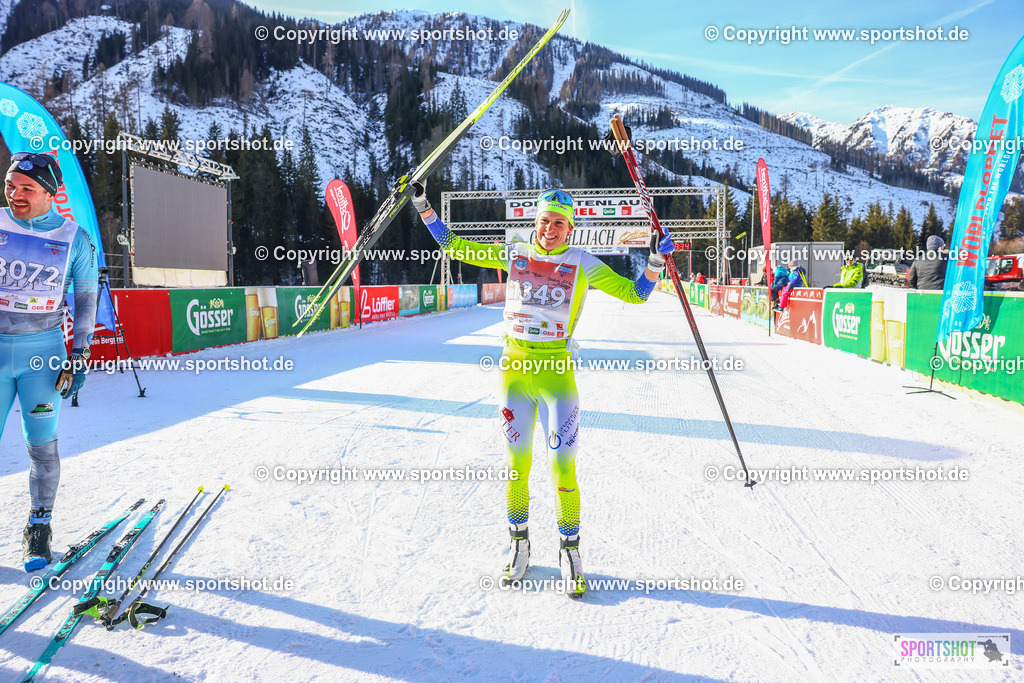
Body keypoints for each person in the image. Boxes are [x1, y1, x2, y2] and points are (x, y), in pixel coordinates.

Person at [411, 183, 672, 598]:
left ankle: (571, 553)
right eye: (545, 221)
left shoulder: (583, 263)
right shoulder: (513, 251)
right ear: (535, 222)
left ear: (571, 228)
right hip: (514, 370)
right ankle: (520, 545)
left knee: (562, 468)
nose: (551, 230)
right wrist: (424, 205)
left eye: (559, 224)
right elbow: (454, 246)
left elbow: (634, 294)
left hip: (556, 374)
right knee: (517, 466)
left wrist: (655, 261)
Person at [3, 152, 98, 570]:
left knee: (42, 449)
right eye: (10, 185)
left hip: (41, 356)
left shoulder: (73, 237)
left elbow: (85, 301)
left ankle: (39, 527)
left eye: (26, 188)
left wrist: (79, 355)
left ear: (49, 192)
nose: (15, 194)